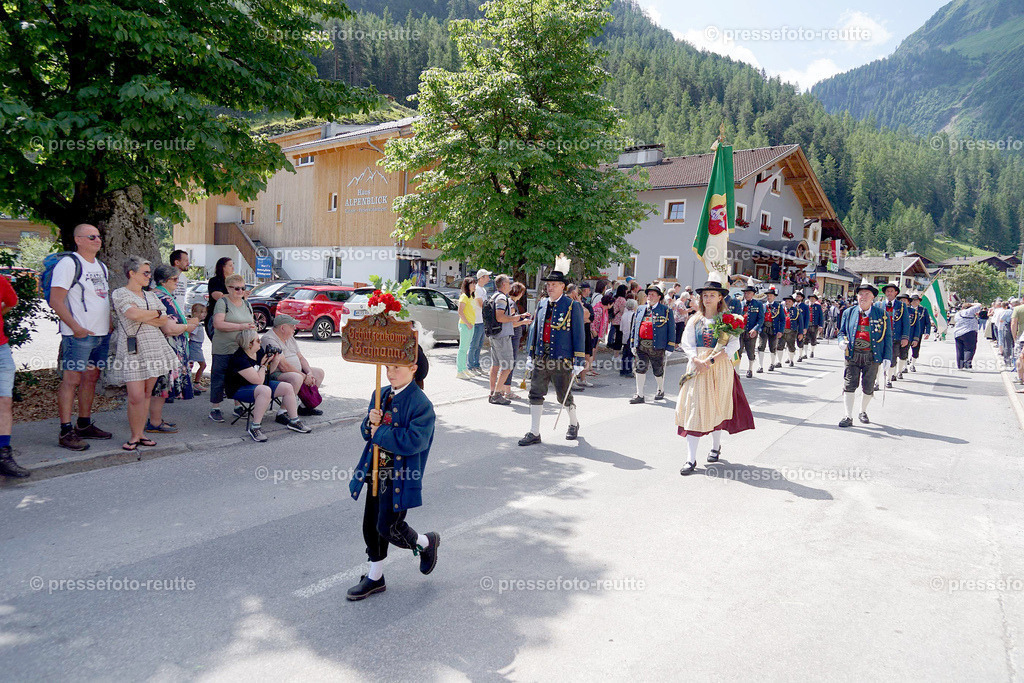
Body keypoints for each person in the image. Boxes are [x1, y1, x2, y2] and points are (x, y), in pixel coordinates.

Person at [347, 360, 439, 601]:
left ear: (413, 368)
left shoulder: (421, 404)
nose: (390, 373)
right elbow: (367, 434)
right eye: (387, 368)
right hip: (375, 470)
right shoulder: (380, 394)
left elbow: (415, 441)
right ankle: (375, 577)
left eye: (397, 368)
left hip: (400, 475)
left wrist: (381, 431)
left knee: (389, 527)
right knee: (370, 526)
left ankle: (426, 543)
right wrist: (370, 421)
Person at [676, 272, 754, 475]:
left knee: (717, 406)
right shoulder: (695, 320)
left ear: (720, 297)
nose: (707, 298)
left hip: (718, 368)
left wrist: (710, 361)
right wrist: (696, 360)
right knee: (694, 408)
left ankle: (715, 446)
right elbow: (687, 343)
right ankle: (690, 459)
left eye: (712, 295)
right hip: (697, 367)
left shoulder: (729, 320)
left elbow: (733, 346)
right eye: (705, 295)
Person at [50, 223, 112, 451]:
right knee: (72, 380)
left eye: (98, 236)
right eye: (91, 236)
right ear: (78, 240)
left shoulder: (101, 266)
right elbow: (56, 300)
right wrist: (75, 327)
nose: (97, 240)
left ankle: (84, 425)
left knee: (91, 378)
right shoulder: (68, 264)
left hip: (100, 334)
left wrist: (109, 324)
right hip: (78, 335)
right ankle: (66, 431)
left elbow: (101, 298)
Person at [108, 257, 180, 451]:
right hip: (133, 348)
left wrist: (151, 315)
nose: (149, 276)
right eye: (145, 273)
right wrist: (154, 314)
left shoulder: (151, 296)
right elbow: (133, 314)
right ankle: (134, 435)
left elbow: (164, 319)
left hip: (154, 347)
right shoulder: (120, 293)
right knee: (135, 396)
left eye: (149, 273)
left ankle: (141, 434)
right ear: (132, 273)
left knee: (147, 393)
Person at [519, 268, 586, 446]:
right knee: (535, 392)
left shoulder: (572, 306)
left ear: (562, 286)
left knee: (563, 395)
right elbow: (535, 331)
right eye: (548, 285)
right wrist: (531, 355)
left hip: (561, 358)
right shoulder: (541, 304)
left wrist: (579, 360)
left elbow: (579, 334)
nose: (550, 287)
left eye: (554, 285)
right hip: (542, 356)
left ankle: (573, 423)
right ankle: (534, 432)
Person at [225, 329, 311, 442]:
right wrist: (264, 365)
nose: (260, 343)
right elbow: (258, 380)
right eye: (257, 341)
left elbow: (267, 374)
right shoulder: (239, 359)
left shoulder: (258, 352)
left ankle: (294, 421)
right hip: (239, 389)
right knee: (264, 390)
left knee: (287, 387)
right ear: (249, 343)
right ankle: (255, 427)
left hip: (257, 385)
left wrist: (275, 361)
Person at [149, 264, 200, 434]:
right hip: (165, 349)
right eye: (175, 279)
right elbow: (169, 328)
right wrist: (187, 326)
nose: (178, 282)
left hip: (168, 348)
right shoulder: (161, 297)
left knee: (162, 386)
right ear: (164, 280)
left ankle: (156, 420)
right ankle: (154, 422)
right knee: (161, 386)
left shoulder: (162, 295)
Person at [837, 280, 892, 427]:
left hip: (872, 355)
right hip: (853, 354)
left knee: (868, 386)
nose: (863, 297)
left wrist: (887, 357)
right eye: (860, 294)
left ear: (873, 297)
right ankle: (848, 416)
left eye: (867, 294)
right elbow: (841, 331)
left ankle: (862, 411)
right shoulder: (848, 312)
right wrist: (841, 341)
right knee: (849, 385)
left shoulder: (882, 314)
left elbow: (887, 337)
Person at [210, 273, 256, 422]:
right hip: (223, 347)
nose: (240, 291)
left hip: (241, 348)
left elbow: (251, 322)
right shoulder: (223, 302)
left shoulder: (247, 304)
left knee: (239, 378)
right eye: (237, 289)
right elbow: (218, 324)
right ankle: (215, 408)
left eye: (243, 288)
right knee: (219, 377)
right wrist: (241, 326)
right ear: (228, 289)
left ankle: (238, 406)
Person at [262, 314, 325, 417]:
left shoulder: (289, 336)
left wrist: (309, 373)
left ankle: (305, 407)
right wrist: (304, 377)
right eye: (292, 326)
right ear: (282, 328)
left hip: (295, 370)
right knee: (297, 378)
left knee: (318, 373)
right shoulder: (269, 339)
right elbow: (283, 366)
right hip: (276, 373)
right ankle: (283, 412)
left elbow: (300, 357)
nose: (295, 328)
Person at [626, 283, 676, 403]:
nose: (650, 296)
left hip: (657, 346)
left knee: (657, 371)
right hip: (641, 346)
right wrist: (633, 343)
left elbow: (671, 330)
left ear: (659, 297)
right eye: (649, 294)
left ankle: (660, 389)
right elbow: (635, 327)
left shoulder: (666, 311)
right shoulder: (641, 309)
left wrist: (670, 347)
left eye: (653, 294)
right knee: (640, 369)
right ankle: (640, 395)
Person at [0, 274, 28, 477]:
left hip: (1, 349)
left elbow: (11, 303)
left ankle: (3, 456)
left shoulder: (0, 281)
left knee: (5, 401)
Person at [487, 274, 528, 405]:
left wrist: (518, 316)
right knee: (508, 366)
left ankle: (493, 392)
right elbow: (500, 317)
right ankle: (497, 394)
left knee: (495, 366)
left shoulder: (493, 296)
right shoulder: (501, 298)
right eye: (509, 283)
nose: (510, 286)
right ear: (504, 285)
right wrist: (516, 319)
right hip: (502, 336)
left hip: (494, 335)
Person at [501, 282, 530, 399]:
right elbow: (512, 323)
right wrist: (524, 322)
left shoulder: (509, 302)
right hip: (513, 337)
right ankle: (507, 390)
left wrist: (521, 316)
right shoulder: (512, 304)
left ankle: (503, 388)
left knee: (507, 363)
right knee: (510, 363)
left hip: (510, 336)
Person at [880, 282, 910, 387]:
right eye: (887, 291)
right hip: (880, 338)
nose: (889, 293)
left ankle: (888, 379)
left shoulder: (901, 306)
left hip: (894, 337)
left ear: (896, 293)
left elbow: (906, 323)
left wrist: (905, 337)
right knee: (877, 360)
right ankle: (877, 381)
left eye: (891, 291)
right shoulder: (879, 305)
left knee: (892, 359)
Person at [468, 268, 491, 375]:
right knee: (474, 344)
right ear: (481, 278)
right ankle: (470, 366)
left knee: (479, 344)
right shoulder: (477, 289)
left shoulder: (483, 290)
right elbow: (481, 304)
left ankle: (476, 365)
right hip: (477, 321)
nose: (489, 278)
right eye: (487, 276)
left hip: (482, 321)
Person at [738, 283, 763, 378]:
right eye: (745, 293)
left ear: (753, 294)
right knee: (738, 350)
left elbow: (760, 319)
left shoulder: (758, 304)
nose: (747, 295)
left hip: (751, 331)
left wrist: (755, 329)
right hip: (739, 331)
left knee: (750, 351)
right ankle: (737, 371)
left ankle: (750, 369)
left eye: (749, 293)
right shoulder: (740, 303)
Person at [456, 276, 477, 379]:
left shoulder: (471, 296)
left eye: (474, 283)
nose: (474, 285)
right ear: (467, 285)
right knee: (462, 349)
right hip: (465, 325)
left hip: (470, 325)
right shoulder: (464, 296)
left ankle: (464, 369)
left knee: (466, 348)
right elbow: (460, 312)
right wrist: (468, 323)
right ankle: (460, 371)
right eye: (472, 284)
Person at [952, 301, 982, 370]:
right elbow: (979, 305)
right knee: (969, 349)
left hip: (958, 333)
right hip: (969, 332)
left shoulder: (958, 313)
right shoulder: (969, 311)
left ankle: (960, 365)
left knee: (960, 350)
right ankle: (967, 365)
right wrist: (972, 304)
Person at [758, 286, 782, 372]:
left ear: (774, 297)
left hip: (773, 328)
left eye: (771, 295)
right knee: (761, 346)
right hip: (763, 328)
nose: (769, 297)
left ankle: (772, 364)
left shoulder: (778, 306)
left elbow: (782, 319)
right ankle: (760, 366)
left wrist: (780, 330)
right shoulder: (763, 305)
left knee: (772, 347)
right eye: (768, 295)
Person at [907, 293, 932, 373]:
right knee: (905, 349)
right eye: (913, 300)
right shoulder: (906, 310)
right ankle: (904, 364)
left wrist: (927, 332)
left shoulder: (923, 310)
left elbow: (927, 322)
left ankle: (912, 365)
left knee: (916, 349)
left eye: (916, 300)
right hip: (907, 333)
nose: (914, 302)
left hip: (918, 333)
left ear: (919, 301)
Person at [188, 303, 207, 393]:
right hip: (195, 345)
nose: (204, 314)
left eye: (205, 312)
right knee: (201, 365)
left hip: (198, 345)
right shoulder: (195, 324)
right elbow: (190, 333)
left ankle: (194, 382)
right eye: (201, 312)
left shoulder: (198, 323)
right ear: (195, 313)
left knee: (192, 365)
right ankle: (195, 383)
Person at [779, 294, 801, 367]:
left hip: (791, 331)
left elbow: (800, 323)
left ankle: (791, 360)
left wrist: (801, 333)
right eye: (786, 301)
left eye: (789, 301)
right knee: (779, 346)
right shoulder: (781, 310)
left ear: (792, 303)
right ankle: (779, 362)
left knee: (791, 346)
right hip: (782, 331)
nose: (787, 303)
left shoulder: (796, 311)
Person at [620, 298, 638, 376]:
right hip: (631, 337)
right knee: (630, 355)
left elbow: (621, 327)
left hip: (624, 336)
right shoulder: (634, 315)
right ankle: (629, 370)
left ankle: (623, 370)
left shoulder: (624, 315)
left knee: (625, 354)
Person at [608, 284, 627, 350]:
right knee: (619, 337)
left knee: (616, 336)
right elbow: (622, 311)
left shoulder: (615, 298)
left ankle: (615, 352)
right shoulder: (622, 300)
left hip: (614, 319)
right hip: (619, 320)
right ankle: (616, 353)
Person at [806, 292, 824, 358]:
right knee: (805, 339)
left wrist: (821, 325)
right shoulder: (806, 306)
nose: (812, 300)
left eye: (813, 298)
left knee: (813, 339)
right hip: (807, 325)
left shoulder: (818, 306)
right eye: (811, 298)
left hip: (814, 325)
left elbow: (821, 317)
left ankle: (812, 351)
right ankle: (805, 353)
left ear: (815, 299)